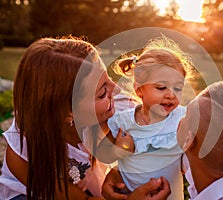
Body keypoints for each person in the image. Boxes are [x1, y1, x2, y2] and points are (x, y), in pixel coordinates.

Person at [100, 37, 223, 200]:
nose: (171, 95)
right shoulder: (123, 121)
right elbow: (103, 155)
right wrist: (119, 150)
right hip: (131, 195)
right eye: (161, 87)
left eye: (178, 88)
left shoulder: (184, 117)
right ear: (139, 90)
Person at [0, 37, 170, 200]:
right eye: (102, 93)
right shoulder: (23, 153)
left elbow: (166, 132)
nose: (116, 89)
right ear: (68, 113)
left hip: (84, 185)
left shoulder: (116, 109)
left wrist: (120, 168)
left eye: (108, 79)